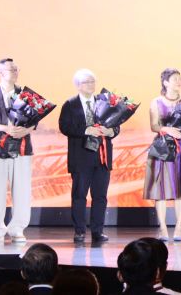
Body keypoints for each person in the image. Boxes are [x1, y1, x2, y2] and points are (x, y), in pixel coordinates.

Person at [58, 68, 118, 244]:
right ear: (78, 85)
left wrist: (111, 131)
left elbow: (116, 125)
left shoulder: (104, 102)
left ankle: (98, 231)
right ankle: (79, 231)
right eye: (87, 82)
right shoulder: (70, 104)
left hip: (102, 156)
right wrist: (86, 130)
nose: (91, 85)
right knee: (79, 195)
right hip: (81, 156)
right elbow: (64, 127)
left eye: (93, 81)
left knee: (100, 196)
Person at [0, 57, 33, 244]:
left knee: (22, 189)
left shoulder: (26, 95)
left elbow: (34, 120)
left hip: (22, 147)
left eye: (17, 69)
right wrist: (4, 128)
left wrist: (26, 129)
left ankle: (18, 228)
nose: (16, 72)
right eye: (12, 69)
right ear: (1, 72)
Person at [144, 68, 181, 241]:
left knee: (180, 187)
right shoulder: (156, 102)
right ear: (165, 82)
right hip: (163, 146)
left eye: (179, 79)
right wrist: (167, 129)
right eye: (175, 79)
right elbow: (154, 126)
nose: (178, 81)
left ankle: (178, 228)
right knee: (160, 189)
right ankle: (162, 228)